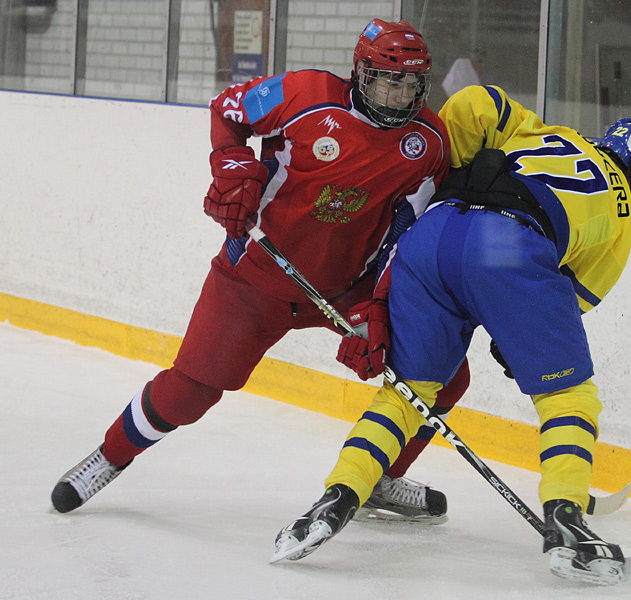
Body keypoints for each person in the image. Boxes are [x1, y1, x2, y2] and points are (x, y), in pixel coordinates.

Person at [50, 19, 471, 524]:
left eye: (410, 86)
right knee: (191, 390)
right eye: (386, 80)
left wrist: (375, 306)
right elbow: (227, 109)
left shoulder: (427, 143)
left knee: (444, 374)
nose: (398, 96)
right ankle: (109, 456)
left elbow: (409, 232)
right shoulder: (304, 95)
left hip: (346, 287)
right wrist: (229, 164)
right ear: (360, 72)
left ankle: (380, 477)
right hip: (253, 276)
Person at [270, 85, 631, 585]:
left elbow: (478, 102)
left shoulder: (556, 134)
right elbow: (568, 301)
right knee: (567, 393)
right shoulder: (620, 212)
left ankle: (338, 496)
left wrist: (452, 167)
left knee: (407, 394)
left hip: (432, 234)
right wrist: (515, 334)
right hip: (506, 246)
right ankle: (567, 519)